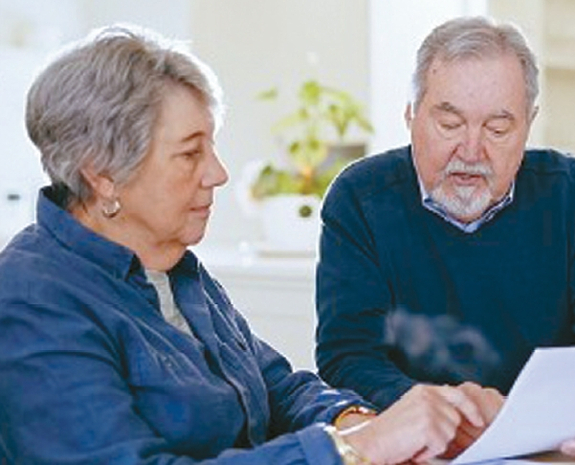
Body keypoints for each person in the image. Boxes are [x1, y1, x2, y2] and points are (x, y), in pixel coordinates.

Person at [0, 24, 498, 465]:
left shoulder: (177, 271)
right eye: (191, 153)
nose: (217, 173)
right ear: (103, 175)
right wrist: (356, 450)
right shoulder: (31, 299)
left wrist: (356, 422)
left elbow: (277, 388)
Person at [316, 15, 575, 460]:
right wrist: (444, 414)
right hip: (422, 452)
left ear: (528, 125)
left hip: (560, 452)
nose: (471, 150)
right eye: (450, 124)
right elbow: (348, 355)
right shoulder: (359, 198)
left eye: (498, 129)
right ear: (411, 113)